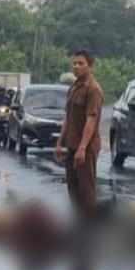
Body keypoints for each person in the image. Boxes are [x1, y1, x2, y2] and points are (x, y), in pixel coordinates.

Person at [54, 50, 104, 217]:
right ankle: (78, 222)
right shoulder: (74, 87)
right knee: (73, 187)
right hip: (72, 145)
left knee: (86, 189)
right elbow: (68, 117)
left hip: (86, 147)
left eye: (81, 64)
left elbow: (91, 120)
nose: (76, 66)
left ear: (91, 67)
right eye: (75, 63)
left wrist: (83, 148)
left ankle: (90, 227)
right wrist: (60, 143)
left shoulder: (93, 89)